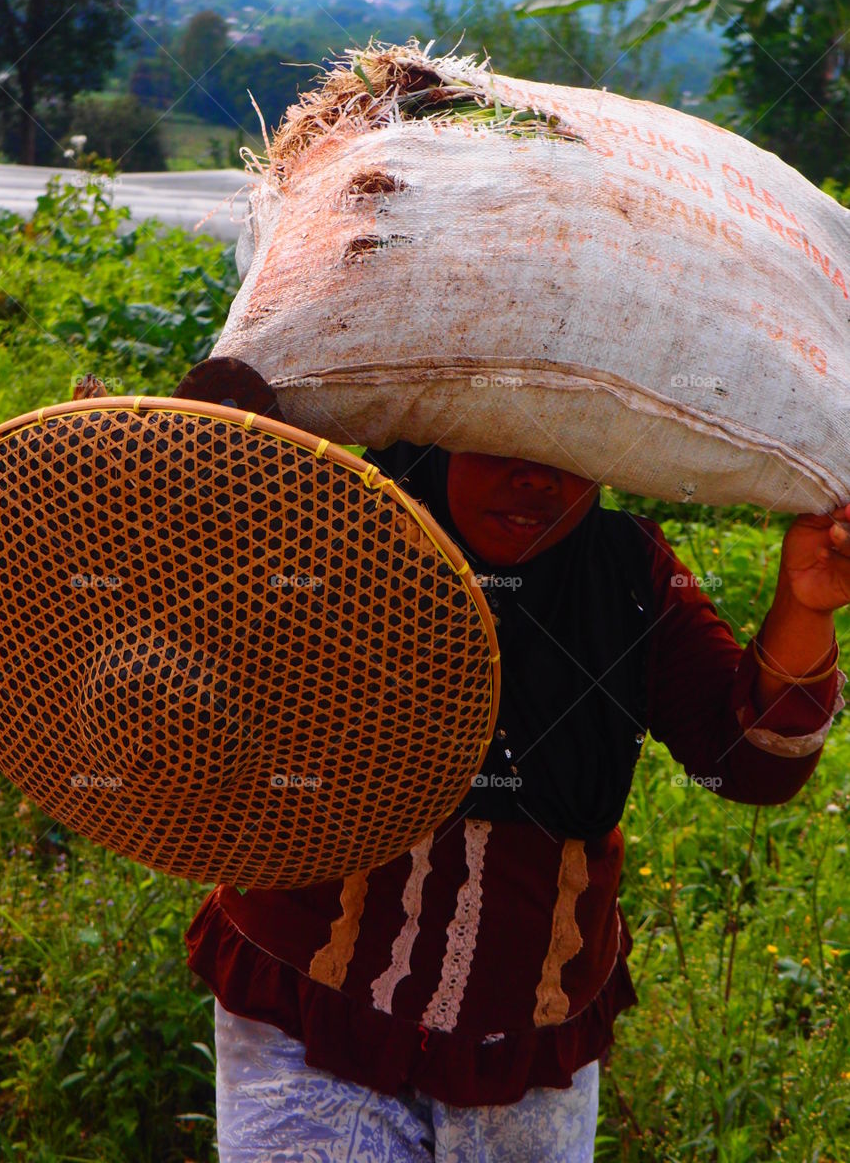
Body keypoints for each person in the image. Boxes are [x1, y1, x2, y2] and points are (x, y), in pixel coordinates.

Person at [184, 418, 849, 1162]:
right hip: (307, 1009)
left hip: (527, 1036)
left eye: (571, 451)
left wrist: (806, 605)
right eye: (500, 439)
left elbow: (747, 768)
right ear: (437, 428)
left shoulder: (631, 577)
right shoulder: (340, 527)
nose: (537, 479)